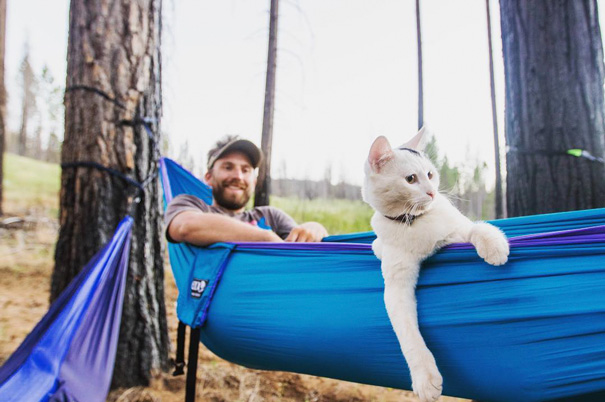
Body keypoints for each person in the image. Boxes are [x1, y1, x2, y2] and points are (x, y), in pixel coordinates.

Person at [165, 135, 329, 246]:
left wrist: (314, 228)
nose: (238, 176)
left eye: (245, 170)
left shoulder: (270, 217)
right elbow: (185, 226)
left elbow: (302, 243)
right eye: (228, 167)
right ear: (208, 177)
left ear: (254, 181)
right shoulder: (189, 204)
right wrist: (265, 237)